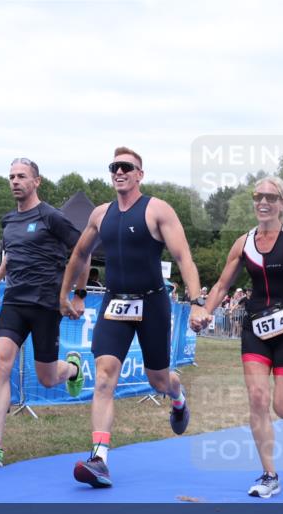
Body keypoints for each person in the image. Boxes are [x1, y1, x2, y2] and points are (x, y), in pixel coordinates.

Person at [60, 146, 208, 488]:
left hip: (153, 304)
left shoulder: (157, 210)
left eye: (127, 167)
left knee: (158, 380)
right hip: (114, 304)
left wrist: (197, 301)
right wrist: (70, 294)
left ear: (140, 174)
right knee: (103, 376)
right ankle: (99, 459)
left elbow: (184, 256)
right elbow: (80, 254)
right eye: (114, 167)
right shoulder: (100, 214)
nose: (119, 171)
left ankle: (178, 397)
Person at [198, 176, 283, 498]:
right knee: (257, 397)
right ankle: (269, 474)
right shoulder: (243, 242)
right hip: (256, 327)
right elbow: (222, 285)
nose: (263, 202)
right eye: (258, 196)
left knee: (282, 406)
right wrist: (204, 311)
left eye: (271, 197)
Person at [0, 157, 85, 468]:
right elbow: (12, 255)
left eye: (22, 176)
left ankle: (73, 369)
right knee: (0, 361)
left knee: (46, 378)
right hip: (15, 300)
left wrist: (78, 295)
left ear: (36, 182)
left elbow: (83, 251)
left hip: (46, 303)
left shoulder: (52, 217)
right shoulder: (8, 221)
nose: (15, 181)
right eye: (12, 176)